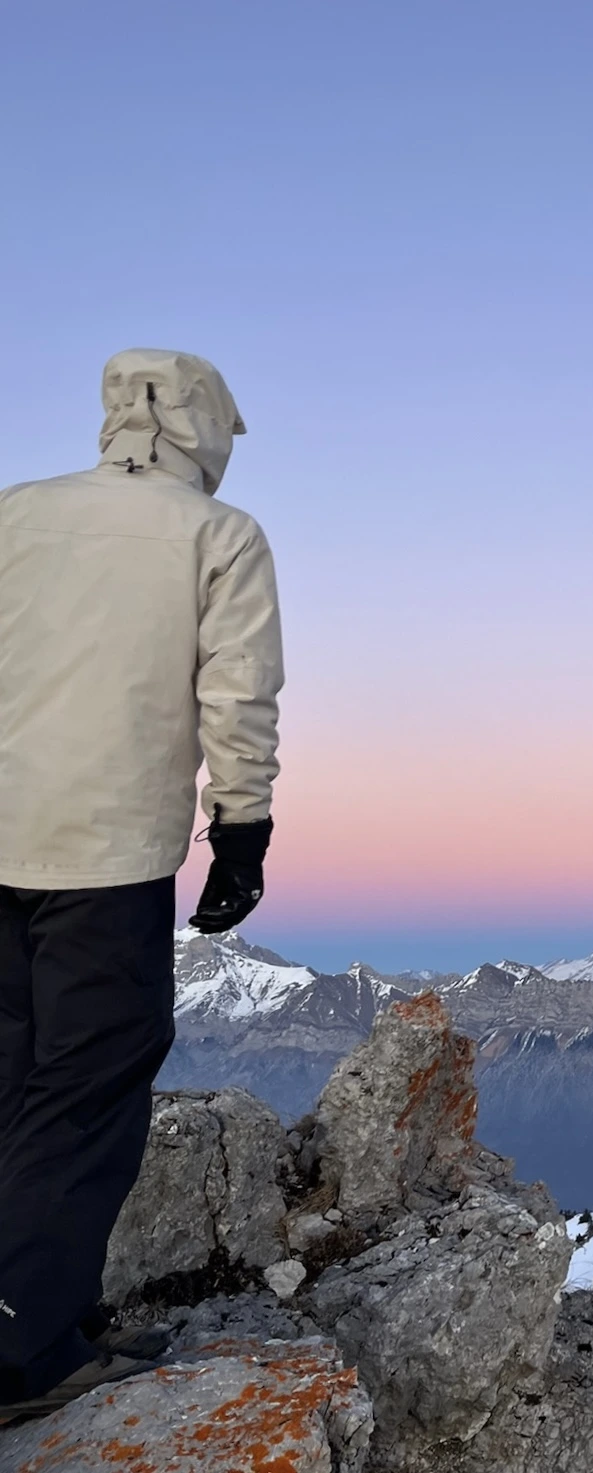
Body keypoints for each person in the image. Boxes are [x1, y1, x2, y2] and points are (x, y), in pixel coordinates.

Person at [0, 349, 283, 1422]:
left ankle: (36, 1309)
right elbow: (238, 691)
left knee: (11, 1080)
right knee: (84, 1091)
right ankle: (25, 1353)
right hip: (106, 857)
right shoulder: (217, 535)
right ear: (200, 424)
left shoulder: (15, 514)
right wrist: (241, 831)